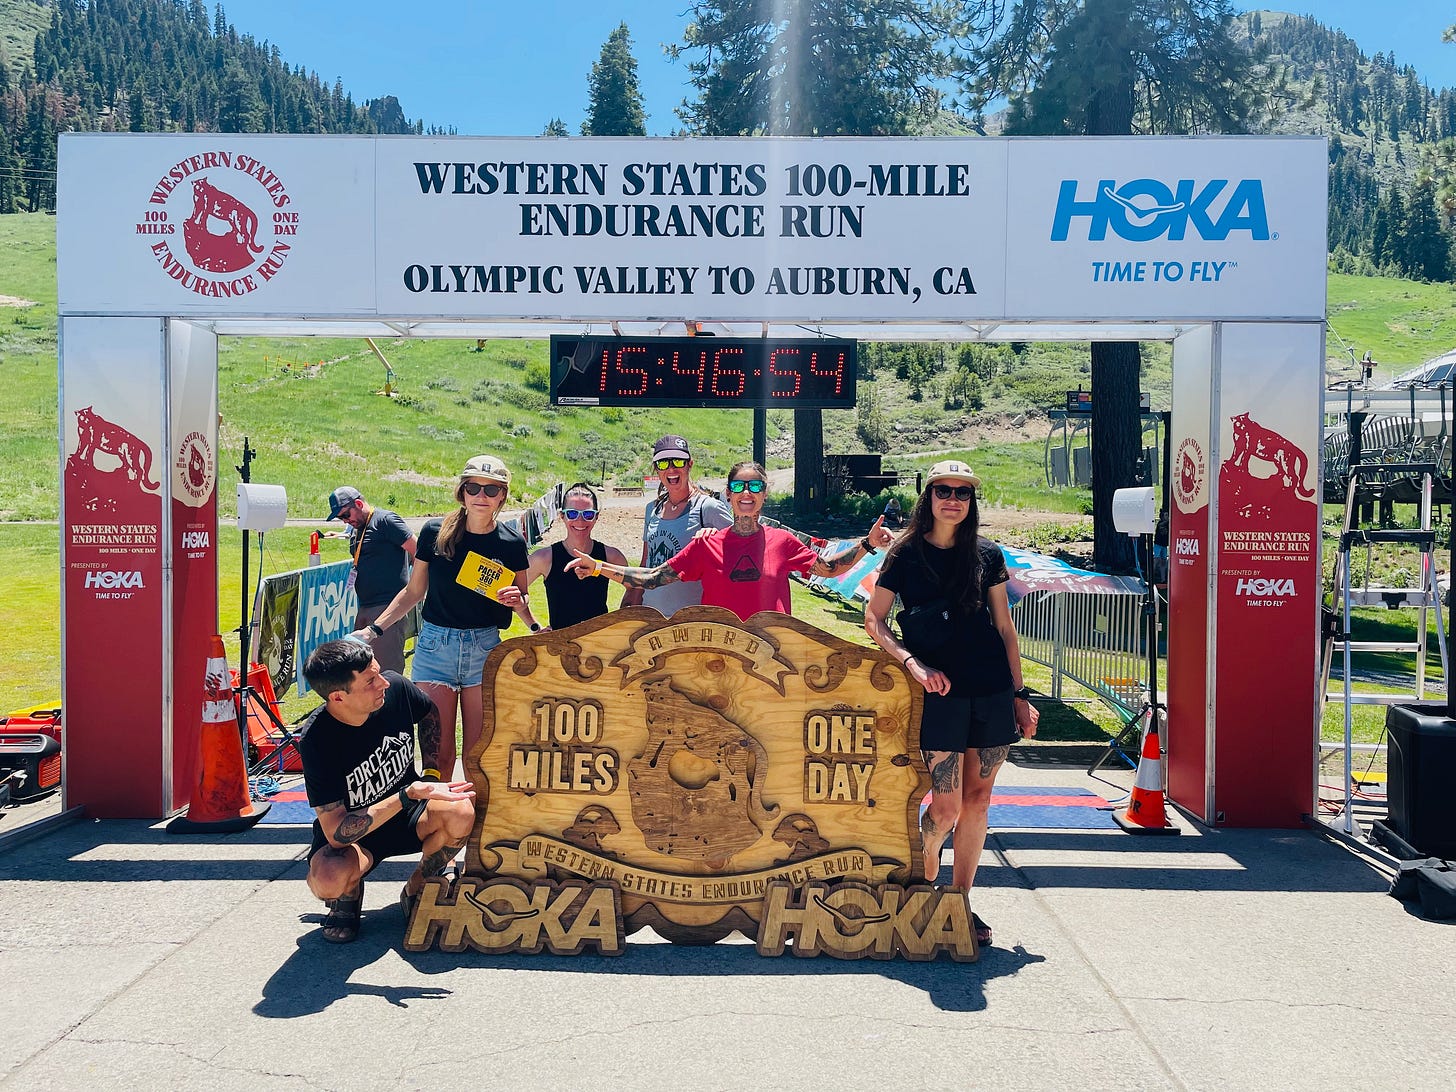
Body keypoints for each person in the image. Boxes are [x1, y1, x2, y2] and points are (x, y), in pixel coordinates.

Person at [862, 460, 1039, 949]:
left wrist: (1020, 696)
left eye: (963, 493)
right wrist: (912, 663)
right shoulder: (905, 554)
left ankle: (958, 900)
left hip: (992, 690)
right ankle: (922, 884)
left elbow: (1005, 628)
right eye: (944, 490)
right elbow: (874, 619)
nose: (953, 499)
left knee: (979, 802)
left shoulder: (987, 554)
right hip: (940, 693)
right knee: (944, 808)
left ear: (971, 502)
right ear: (929, 496)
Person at [353, 454, 539, 781]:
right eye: (474, 488)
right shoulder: (435, 532)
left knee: (478, 754)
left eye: (491, 490)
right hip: (435, 646)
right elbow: (413, 592)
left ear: (503, 496)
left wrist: (524, 610)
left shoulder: (512, 543)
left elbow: (521, 598)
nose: (482, 496)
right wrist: (374, 630)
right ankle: (437, 825)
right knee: (436, 754)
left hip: (484, 649)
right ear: (462, 492)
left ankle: (473, 826)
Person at [298, 639, 475, 944]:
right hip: (357, 833)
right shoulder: (317, 740)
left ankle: (419, 885)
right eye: (370, 681)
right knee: (328, 880)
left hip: (410, 816)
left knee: (461, 810)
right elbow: (336, 832)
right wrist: (408, 794)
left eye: (378, 673)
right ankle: (348, 894)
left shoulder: (395, 689)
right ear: (339, 697)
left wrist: (433, 774)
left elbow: (429, 712)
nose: (383, 683)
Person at [568, 460, 893, 622]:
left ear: (764, 495)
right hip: (721, 653)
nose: (746, 494)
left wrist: (868, 544)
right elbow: (653, 578)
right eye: (738, 487)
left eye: (754, 487)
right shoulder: (705, 545)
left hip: (773, 655)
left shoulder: (783, 542)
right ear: (728, 495)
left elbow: (829, 568)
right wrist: (598, 566)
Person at [621, 435, 732, 616]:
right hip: (652, 614)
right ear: (657, 470)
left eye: (678, 462)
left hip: (691, 618)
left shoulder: (708, 508)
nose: (671, 469)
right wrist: (633, 598)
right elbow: (646, 562)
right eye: (663, 464)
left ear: (690, 464)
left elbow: (739, 550)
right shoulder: (652, 509)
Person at [324, 486, 417, 674]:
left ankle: (392, 704)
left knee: (387, 672)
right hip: (365, 605)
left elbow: (418, 551)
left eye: (345, 515)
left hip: (387, 608)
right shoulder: (359, 526)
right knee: (363, 670)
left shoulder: (385, 520)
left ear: (358, 504)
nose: (345, 521)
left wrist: (413, 590)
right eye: (341, 518)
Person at [519, 482, 630, 630]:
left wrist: (620, 622)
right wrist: (535, 627)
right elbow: (514, 593)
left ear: (596, 517)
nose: (580, 521)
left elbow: (635, 586)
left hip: (601, 647)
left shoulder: (611, 555)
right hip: (560, 648)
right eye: (572, 513)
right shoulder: (544, 558)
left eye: (588, 514)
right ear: (562, 516)